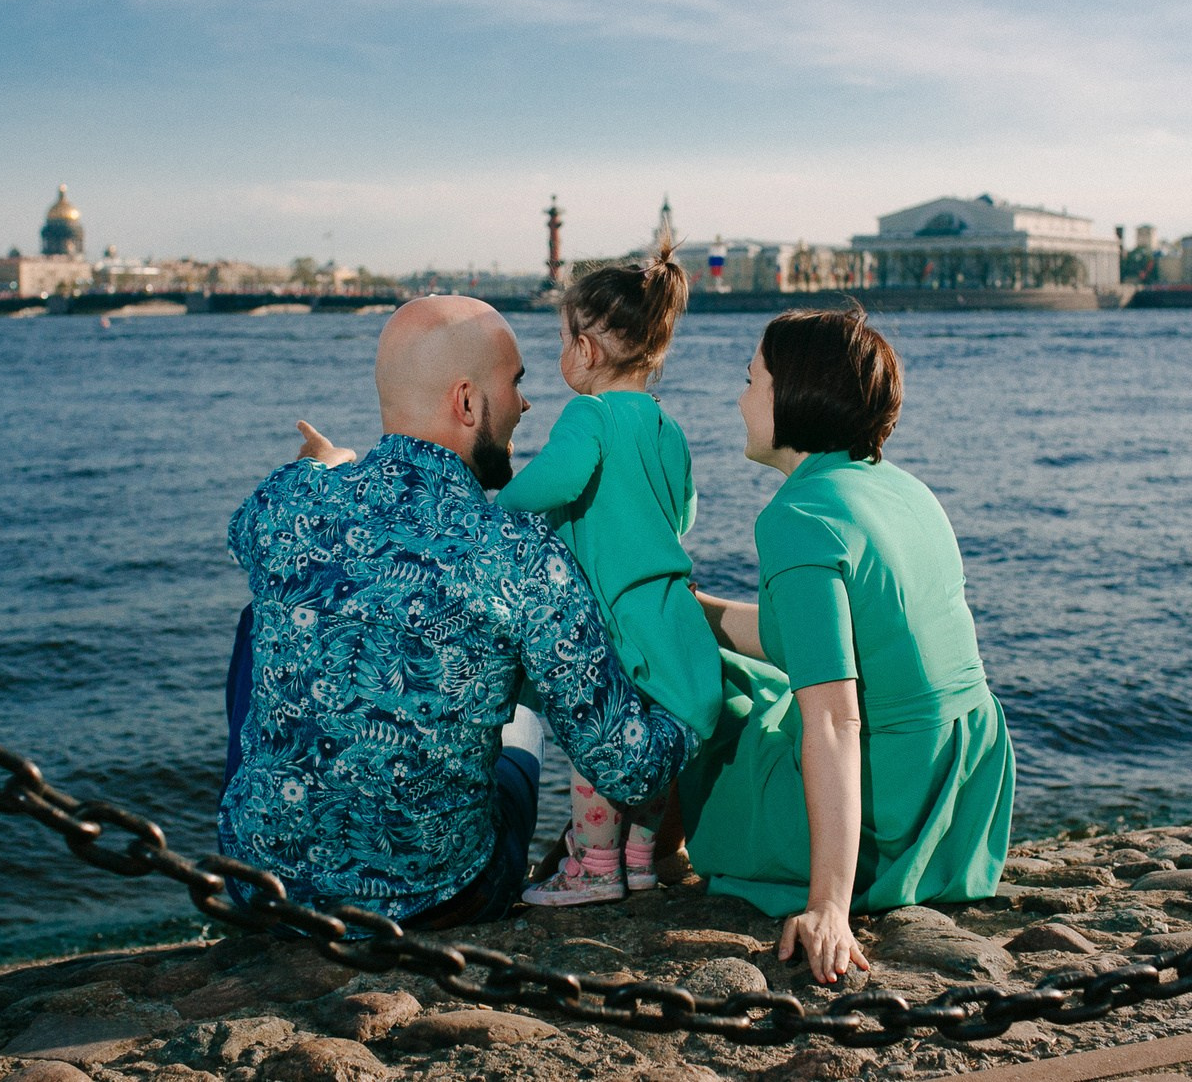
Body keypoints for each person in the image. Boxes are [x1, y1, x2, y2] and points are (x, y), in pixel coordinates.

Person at [219, 295, 695, 928]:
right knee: (525, 697)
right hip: (438, 896)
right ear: (467, 402)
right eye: (516, 384)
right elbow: (628, 768)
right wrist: (694, 704)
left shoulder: (286, 503)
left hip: (265, 889)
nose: (527, 405)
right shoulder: (522, 554)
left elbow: (242, 533)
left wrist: (327, 467)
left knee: (263, 619)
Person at [679, 307, 1015, 983]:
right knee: (730, 666)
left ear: (793, 396)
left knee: (695, 701)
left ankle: (617, 856)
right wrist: (692, 611)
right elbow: (821, 644)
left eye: (753, 380)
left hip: (888, 818)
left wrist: (828, 906)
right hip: (963, 797)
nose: (740, 399)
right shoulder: (901, 490)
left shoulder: (798, 517)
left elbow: (834, 717)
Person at [494, 245, 722, 906]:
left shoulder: (588, 415)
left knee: (602, 739)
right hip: (667, 607)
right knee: (652, 738)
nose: (559, 353)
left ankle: (594, 865)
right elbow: (684, 510)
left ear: (588, 350)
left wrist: (494, 506)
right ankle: (642, 861)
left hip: (611, 612)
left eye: (562, 338)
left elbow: (558, 479)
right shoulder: (665, 423)